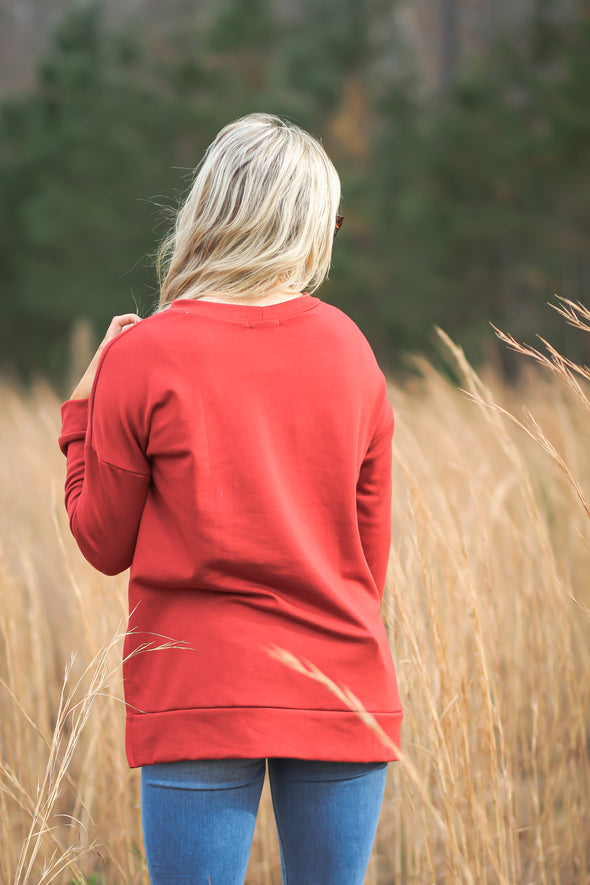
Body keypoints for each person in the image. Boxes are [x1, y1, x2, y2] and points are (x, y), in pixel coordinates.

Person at [59, 113, 403, 885]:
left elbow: (101, 541)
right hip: (338, 682)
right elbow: (367, 563)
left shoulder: (140, 354)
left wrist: (81, 415)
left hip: (198, 690)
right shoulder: (352, 348)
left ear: (210, 212)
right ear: (308, 224)